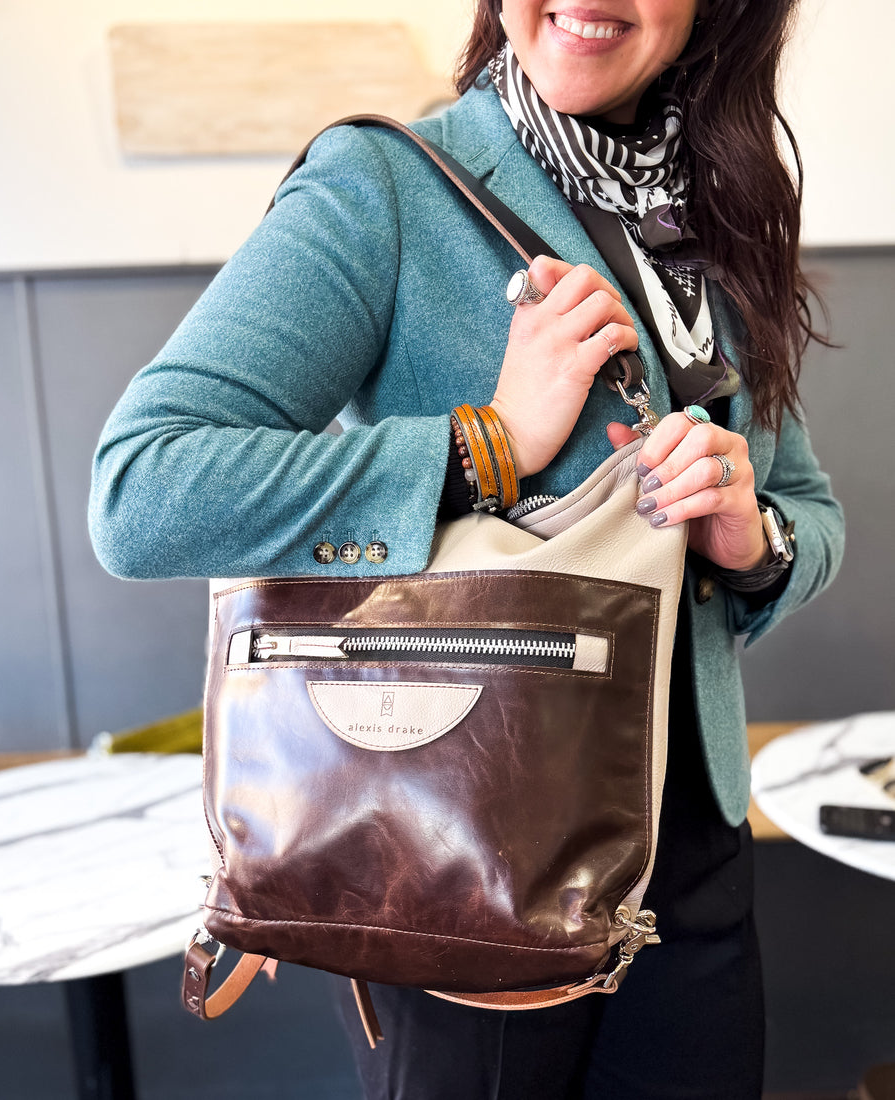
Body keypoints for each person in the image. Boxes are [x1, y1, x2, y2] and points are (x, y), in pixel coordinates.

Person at [90, 1, 845, 1096]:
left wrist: (749, 534)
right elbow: (141, 490)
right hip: (451, 855)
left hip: (688, 866)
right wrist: (482, 441)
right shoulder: (383, 186)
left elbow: (806, 508)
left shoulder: (719, 209)